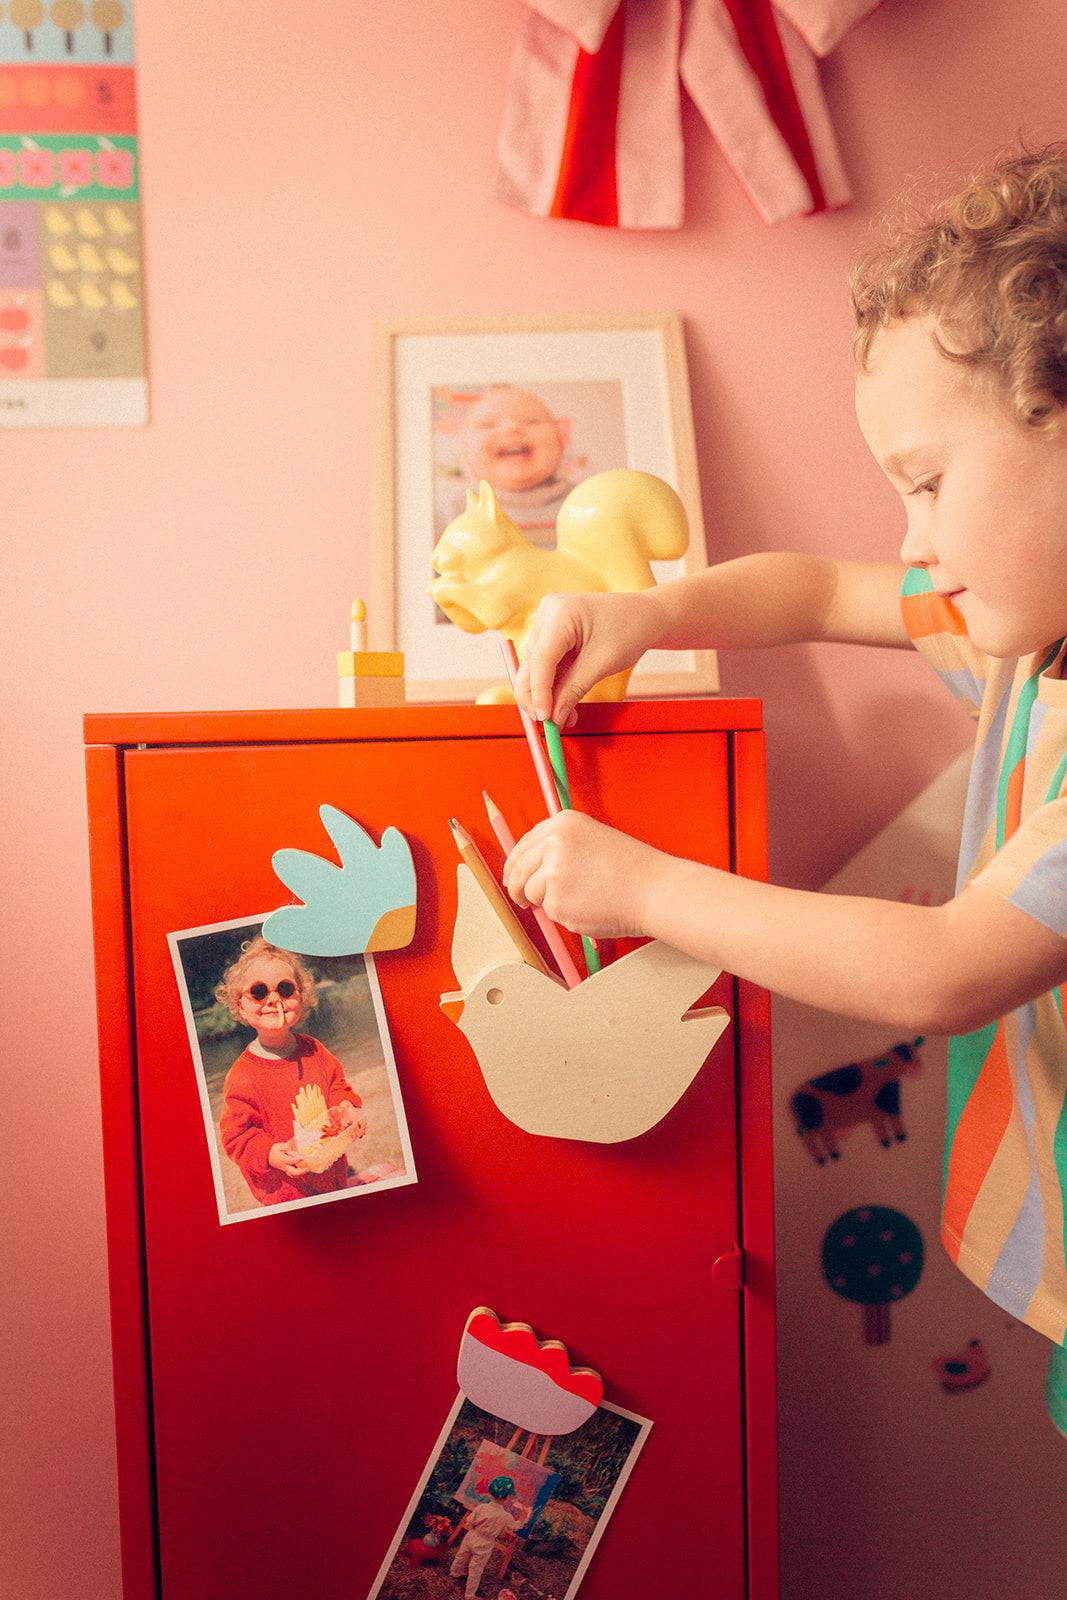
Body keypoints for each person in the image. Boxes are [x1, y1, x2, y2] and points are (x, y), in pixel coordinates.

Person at [503, 142, 1067, 1436]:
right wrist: (645, 611)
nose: (910, 540)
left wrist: (642, 887)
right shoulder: (1024, 637)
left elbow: (942, 969)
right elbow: (810, 590)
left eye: (927, 484)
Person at [216, 936, 366, 1206]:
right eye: (259, 992)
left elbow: (337, 1086)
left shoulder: (315, 1050)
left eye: (285, 989)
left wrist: (347, 1108)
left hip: (331, 1176)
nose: (274, 999)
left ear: (301, 996)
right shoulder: (243, 1076)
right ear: (241, 1006)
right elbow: (236, 1135)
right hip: (286, 1192)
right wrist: (270, 1153)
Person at [436, 385, 583, 545]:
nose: (512, 429)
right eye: (488, 425)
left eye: (532, 422)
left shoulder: (585, 501)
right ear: (466, 450)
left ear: (560, 441)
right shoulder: (447, 512)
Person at [449, 1474, 522, 1598]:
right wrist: (521, 1522)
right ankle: (470, 1595)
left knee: (461, 1556)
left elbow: (469, 1521)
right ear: (508, 1497)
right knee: (476, 1570)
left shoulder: (482, 1507)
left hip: (471, 1536)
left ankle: (455, 1572)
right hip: (485, 1543)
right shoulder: (506, 1516)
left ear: (491, 1493)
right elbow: (514, 1527)